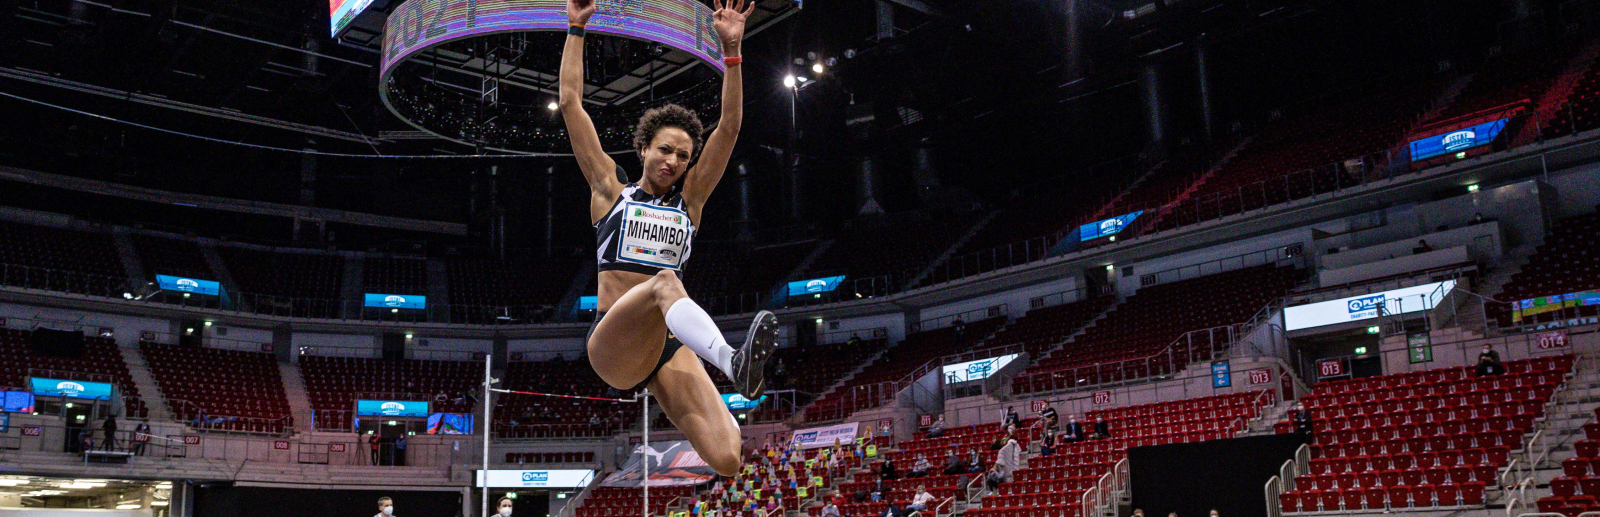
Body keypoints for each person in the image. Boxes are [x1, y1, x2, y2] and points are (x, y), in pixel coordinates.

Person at [562, 0, 767, 478]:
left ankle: (727, 365)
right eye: (665, 150)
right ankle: (732, 362)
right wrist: (575, 29)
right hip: (614, 341)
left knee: (728, 458)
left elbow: (730, 128)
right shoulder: (609, 190)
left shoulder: (689, 203)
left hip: (666, 346)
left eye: (683, 154)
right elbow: (572, 103)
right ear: (643, 148)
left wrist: (732, 52)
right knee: (664, 282)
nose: (673, 160)